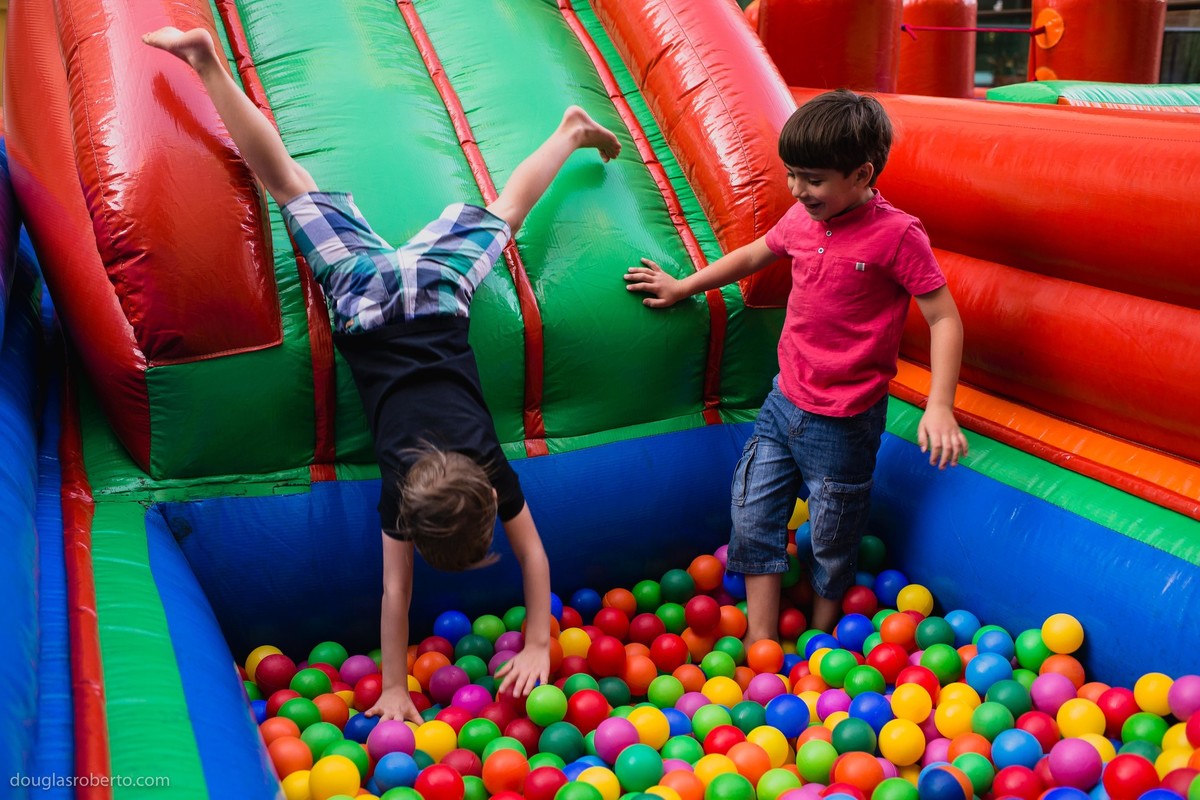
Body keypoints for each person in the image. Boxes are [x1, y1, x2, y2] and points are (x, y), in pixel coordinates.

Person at [143, 27, 621, 722]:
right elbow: (404, 593)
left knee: (503, 214)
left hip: (431, 294)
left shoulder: (483, 468)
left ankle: (570, 131)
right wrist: (525, 649)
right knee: (289, 184)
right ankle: (207, 63)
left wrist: (402, 684)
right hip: (365, 300)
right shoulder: (404, 491)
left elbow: (508, 565)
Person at [625, 89, 967, 639]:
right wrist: (684, 285)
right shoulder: (803, 219)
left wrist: (941, 407)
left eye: (813, 179)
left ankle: (823, 638)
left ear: (862, 173)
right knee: (754, 514)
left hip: (846, 420)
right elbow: (757, 253)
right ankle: (763, 644)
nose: (797, 189)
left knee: (832, 535)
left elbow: (944, 318)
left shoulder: (898, 235)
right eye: (792, 174)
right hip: (784, 402)